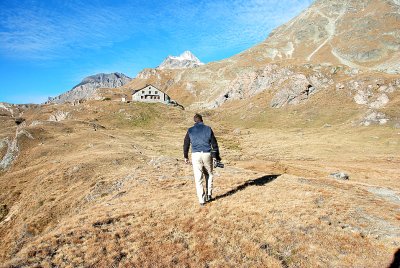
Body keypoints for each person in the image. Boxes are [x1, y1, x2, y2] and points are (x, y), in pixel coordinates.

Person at [183, 114, 220, 206]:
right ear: (202, 120)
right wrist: (216, 157)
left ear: (194, 121)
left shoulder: (190, 130)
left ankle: (202, 200)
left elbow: (186, 144)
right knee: (209, 174)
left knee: (198, 177)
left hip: (196, 155)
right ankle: (209, 194)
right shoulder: (208, 128)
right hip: (207, 154)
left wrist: (185, 157)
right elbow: (214, 144)